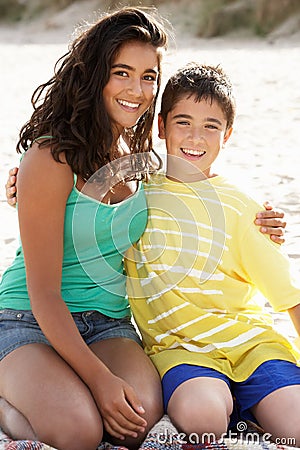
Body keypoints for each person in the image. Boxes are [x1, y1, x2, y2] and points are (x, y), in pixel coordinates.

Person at [0, 7, 169, 450]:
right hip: (30, 320)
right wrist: (98, 380)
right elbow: (44, 293)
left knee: (135, 422)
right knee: (80, 432)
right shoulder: (50, 159)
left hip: (109, 324)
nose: (137, 90)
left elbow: (203, 196)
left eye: (148, 77)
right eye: (122, 73)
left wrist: (260, 220)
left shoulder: (139, 161)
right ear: (95, 75)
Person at [125, 63, 300, 445]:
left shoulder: (242, 208)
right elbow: (80, 204)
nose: (195, 137)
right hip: (181, 351)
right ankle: (241, 414)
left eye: (210, 126)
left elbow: (289, 297)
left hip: (254, 347)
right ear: (160, 127)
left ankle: (254, 409)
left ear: (228, 134)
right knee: (205, 420)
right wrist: (24, 189)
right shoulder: (135, 196)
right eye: (183, 122)